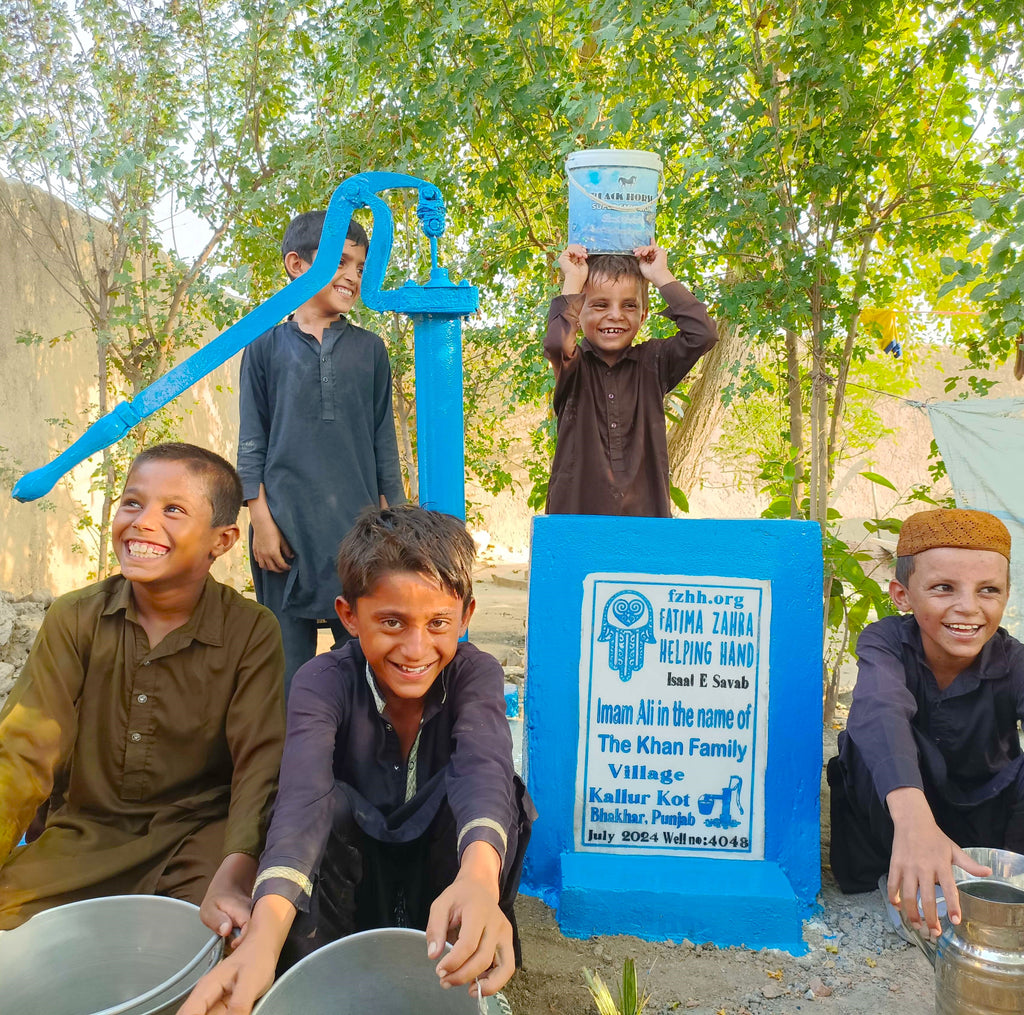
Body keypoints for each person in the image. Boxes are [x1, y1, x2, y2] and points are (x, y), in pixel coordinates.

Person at [180, 505, 534, 1015]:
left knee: (503, 798)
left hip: (448, 881)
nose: (416, 648)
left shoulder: (475, 674)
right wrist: (261, 936)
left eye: (438, 623)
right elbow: (302, 802)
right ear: (348, 616)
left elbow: (484, 766)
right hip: (349, 881)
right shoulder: (322, 681)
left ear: (466, 616)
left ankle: (472, 951)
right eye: (391, 622)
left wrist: (479, 880)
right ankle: (298, 963)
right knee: (320, 803)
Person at [0, 443, 285, 935]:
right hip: (84, 836)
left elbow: (259, 764)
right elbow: (24, 750)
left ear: (223, 539)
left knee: (206, 939)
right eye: (132, 503)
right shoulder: (75, 617)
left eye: (173, 509)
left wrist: (237, 870)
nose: (143, 522)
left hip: (197, 839)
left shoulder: (251, 630)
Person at [827, 508, 1024, 940]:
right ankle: (904, 877)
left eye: (988, 590)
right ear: (902, 596)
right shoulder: (885, 641)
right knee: (863, 737)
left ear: (1006, 596)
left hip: (984, 829)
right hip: (896, 824)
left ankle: (984, 887)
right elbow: (880, 708)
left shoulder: (1015, 660)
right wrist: (915, 821)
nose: (968, 608)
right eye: (943, 588)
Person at [237, 210, 406, 690]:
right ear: (296, 264)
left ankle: (353, 764)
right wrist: (262, 523)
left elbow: (382, 443)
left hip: (357, 537)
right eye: (341, 262)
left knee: (361, 668)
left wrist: (393, 526)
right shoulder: (265, 346)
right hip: (284, 537)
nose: (353, 276)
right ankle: (288, 765)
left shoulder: (370, 350)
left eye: (360, 266)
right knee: (286, 673)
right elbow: (252, 441)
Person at [543, 243, 717, 516]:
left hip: (645, 521)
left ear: (643, 314)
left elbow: (702, 334)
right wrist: (573, 279)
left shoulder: (655, 362)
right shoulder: (573, 367)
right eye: (600, 305)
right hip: (575, 523)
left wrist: (660, 275)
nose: (615, 314)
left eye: (629, 305)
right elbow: (556, 343)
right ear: (578, 315)